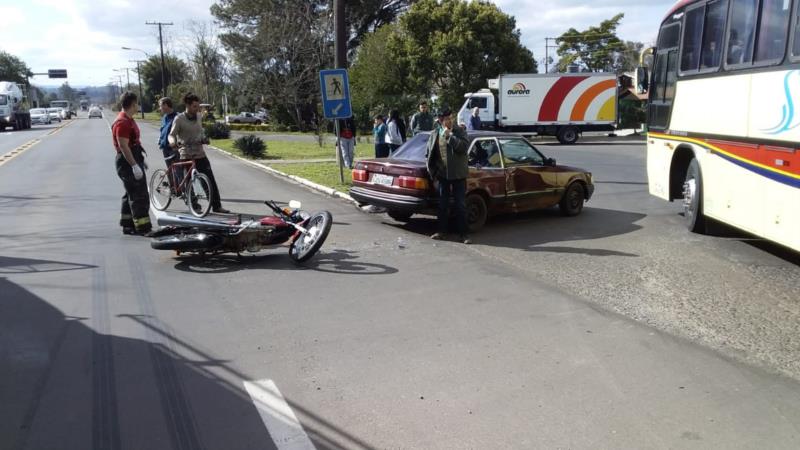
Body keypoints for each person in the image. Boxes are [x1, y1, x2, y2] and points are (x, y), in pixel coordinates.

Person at [168, 93, 230, 214]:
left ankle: (217, 206)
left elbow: (200, 132)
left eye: (198, 106)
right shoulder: (179, 119)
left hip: (200, 153)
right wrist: (172, 142)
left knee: (210, 180)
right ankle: (194, 205)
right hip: (186, 154)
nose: (197, 109)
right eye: (194, 106)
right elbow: (171, 135)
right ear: (187, 105)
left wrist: (204, 138)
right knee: (190, 182)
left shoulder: (199, 116)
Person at [426, 108, 471, 244]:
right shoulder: (435, 133)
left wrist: (449, 136)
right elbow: (429, 153)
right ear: (439, 120)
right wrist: (432, 172)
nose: (448, 121)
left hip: (458, 175)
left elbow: (463, 148)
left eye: (449, 118)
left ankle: (464, 234)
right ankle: (442, 231)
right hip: (442, 175)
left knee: (460, 205)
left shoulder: (459, 131)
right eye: (444, 119)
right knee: (443, 205)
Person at [112, 91, 153, 236]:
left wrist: (140, 161)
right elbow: (123, 146)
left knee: (129, 193)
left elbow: (133, 143)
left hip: (133, 158)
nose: (138, 106)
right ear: (132, 104)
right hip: (127, 162)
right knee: (139, 195)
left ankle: (128, 224)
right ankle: (143, 227)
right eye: (137, 103)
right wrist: (134, 165)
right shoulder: (122, 122)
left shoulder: (129, 120)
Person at [158, 97, 178, 167]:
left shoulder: (177, 117)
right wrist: (160, 140)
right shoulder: (164, 117)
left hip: (174, 149)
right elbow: (162, 130)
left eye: (160, 106)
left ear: (166, 105)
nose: (160, 108)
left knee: (178, 172)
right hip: (165, 148)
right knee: (169, 171)